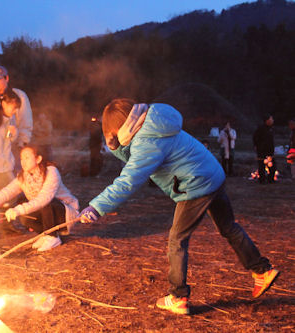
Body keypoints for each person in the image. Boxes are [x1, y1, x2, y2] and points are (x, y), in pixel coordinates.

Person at [79, 99, 279, 315]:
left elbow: (128, 180)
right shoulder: (153, 123)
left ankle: (178, 296)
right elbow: (133, 155)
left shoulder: (148, 141)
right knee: (229, 227)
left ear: (117, 128)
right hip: (212, 175)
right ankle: (262, 270)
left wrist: (96, 207)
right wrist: (116, 147)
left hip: (194, 186)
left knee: (177, 239)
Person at [0, 145, 79, 251]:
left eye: (27, 157)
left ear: (38, 159)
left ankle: (52, 237)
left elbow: (44, 198)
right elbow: (4, 194)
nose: (23, 161)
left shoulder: (51, 172)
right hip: (47, 212)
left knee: (44, 203)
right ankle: (45, 234)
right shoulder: (23, 177)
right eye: (22, 158)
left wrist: (18, 210)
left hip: (64, 213)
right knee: (25, 218)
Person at [0, 66, 33, 170]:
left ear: (7, 78)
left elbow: (25, 121)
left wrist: (22, 142)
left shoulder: (19, 96)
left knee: (15, 182)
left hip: (14, 147)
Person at [253, 114, 276, 184]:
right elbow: (255, 138)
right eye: (271, 119)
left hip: (270, 151)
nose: (272, 120)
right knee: (261, 166)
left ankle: (271, 179)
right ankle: (262, 180)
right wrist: (257, 146)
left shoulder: (271, 129)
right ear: (267, 120)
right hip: (262, 151)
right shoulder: (260, 129)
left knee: (272, 166)